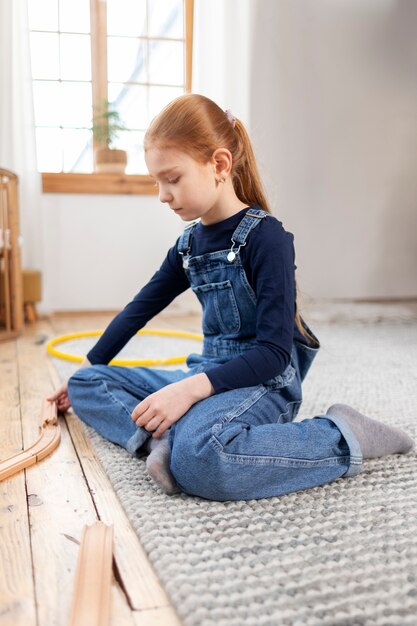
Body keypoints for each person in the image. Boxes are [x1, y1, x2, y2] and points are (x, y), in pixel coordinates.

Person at [48, 94, 414, 500]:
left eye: (172, 178)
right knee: (87, 383)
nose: (163, 195)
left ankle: (343, 436)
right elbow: (140, 309)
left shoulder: (266, 238)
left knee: (203, 460)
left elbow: (274, 354)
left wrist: (188, 391)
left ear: (219, 165)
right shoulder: (188, 245)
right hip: (208, 373)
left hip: (264, 381)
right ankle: (162, 441)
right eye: (156, 182)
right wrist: (88, 364)